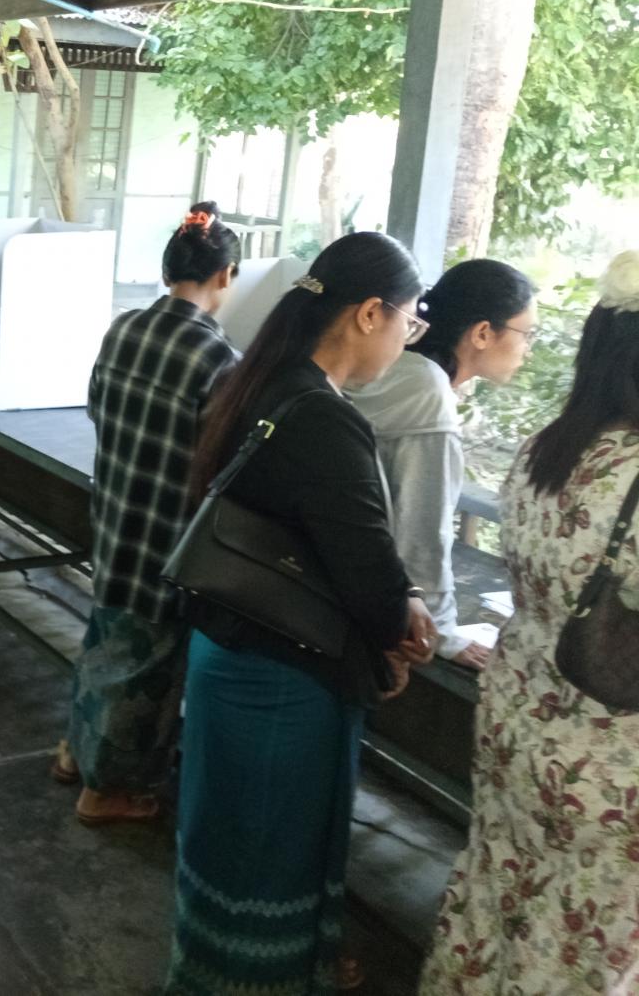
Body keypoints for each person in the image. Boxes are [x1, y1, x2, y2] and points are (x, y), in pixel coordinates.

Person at [170, 233, 438, 995]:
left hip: (229, 652)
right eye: (410, 320)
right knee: (268, 849)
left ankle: (213, 974)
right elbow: (366, 565)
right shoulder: (323, 416)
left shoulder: (255, 380)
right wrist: (403, 616)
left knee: (226, 841)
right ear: (369, 314)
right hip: (284, 679)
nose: (408, 337)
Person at [419, 251, 639, 996]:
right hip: (609, 771)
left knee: (496, 899)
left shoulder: (548, 448)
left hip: (516, 724)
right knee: (578, 946)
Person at [53, 203, 239, 826]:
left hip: (113, 514)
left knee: (104, 639)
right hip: (166, 537)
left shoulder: (124, 328)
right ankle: (106, 790)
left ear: (166, 270)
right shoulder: (219, 359)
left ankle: (74, 751)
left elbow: (96, 407)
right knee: (146, 670)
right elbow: (218, 467)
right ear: (226, 276)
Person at [348, 259, 538, 669]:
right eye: (527, 334)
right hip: (351, 619)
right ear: (482, 333)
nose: (529, 350)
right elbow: (422, 532)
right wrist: (445, 635)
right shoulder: (428, 395)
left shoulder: (393, 367)